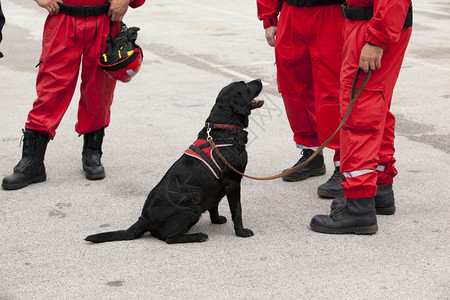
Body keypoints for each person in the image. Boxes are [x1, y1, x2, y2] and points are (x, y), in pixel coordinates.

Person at [2, 0, 145, 190]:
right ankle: (32, 162)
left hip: (105, 20)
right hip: (62, 19)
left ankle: (92, 154)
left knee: (99, 91)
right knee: (50, 91)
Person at [310, 0, 413, 234]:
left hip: (371, 26)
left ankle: (358, 206)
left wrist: (376, 38)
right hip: (370, 22)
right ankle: (379, 188)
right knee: (375, 107)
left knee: (360, 112)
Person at [257, 0, 346, 199]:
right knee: (293, 88)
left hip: (332, 13)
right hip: (292, 14)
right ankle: (311, 155)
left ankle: (345, 166)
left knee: (333, 91)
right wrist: (269, 17)